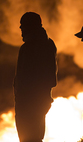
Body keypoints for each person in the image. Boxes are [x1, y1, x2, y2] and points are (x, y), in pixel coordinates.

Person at [14, 12, 57, 142]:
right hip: (39, 101)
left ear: (30, 26)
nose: (21, 29)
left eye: (23, 26)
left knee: (29, 137)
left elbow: (26, 77)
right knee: (35, 136)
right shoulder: (47, 44)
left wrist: (22, 97)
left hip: (29, 102)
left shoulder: (29, 47)